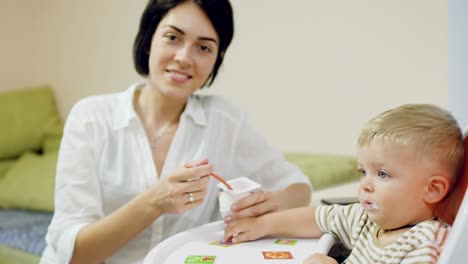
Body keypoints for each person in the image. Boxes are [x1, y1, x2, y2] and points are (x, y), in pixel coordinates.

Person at [40, 0, 312, 263]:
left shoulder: (225, 121)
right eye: (172, 37)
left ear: (218, 59)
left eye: (204, 47)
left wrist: (269, 203)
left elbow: (298, 187)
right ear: (148, 41)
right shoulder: (91, 117)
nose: (183, 58)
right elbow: (73, 254)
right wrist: (154, 202)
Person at [224, 104, 464, 264]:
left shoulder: (426, 243)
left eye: (382, 174)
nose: (365, 185)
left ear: (432, 189)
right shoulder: (366, 220)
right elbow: (318, 217)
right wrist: (262, 224)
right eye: (363, 172)